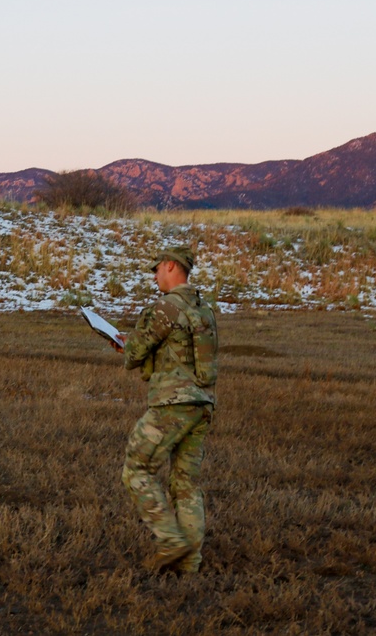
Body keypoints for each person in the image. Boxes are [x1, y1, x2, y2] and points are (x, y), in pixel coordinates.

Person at [110, 246, 218, 574]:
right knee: (185, 484)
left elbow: (135, 354)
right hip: (202, 405)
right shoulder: (205, 309)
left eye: (157, 269)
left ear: (171, 266)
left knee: (137, 470)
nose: (155, 276)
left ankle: (170, 541)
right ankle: (189, 562)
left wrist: (124, 344)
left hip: (172, 403)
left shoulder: (165, 307)